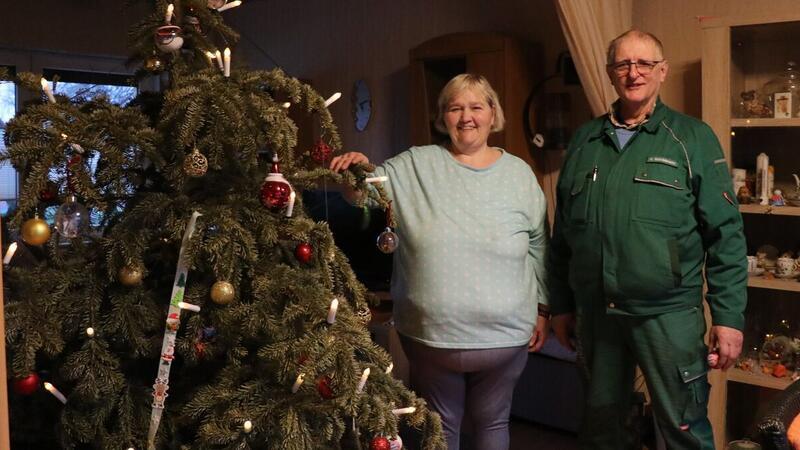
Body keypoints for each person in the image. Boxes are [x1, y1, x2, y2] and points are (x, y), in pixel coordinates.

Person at [548, 29, 747, 450]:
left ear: (662, 71)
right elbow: (562, 233)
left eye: (643, 64)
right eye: (623, 64)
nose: (633, 73)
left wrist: (728, 318)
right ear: (609, 73)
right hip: (598, 314)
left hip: (668, 316)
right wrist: (562, 306)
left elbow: (726, 234)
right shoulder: (585, 141)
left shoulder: (691, 138)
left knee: (683, 428)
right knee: (603, 430)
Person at [329, 73, 550, 450]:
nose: (467, 117)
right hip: (432, 335)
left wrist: (543, 308)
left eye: (477, 106)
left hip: (507, 335)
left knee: (493, 423)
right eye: (455, 108)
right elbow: (365, 196)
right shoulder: (415, 164)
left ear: (493, 113)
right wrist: (355, 172)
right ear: (442, 117)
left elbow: (538, 245)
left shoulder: (519, 175)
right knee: (439, 429)